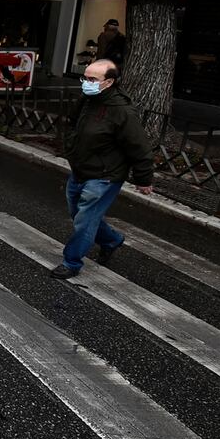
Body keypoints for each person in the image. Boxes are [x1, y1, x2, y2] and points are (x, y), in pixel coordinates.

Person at [50, 59, 154, 279]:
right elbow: (74, 123)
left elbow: (139, 147)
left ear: (109, 82)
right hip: (80, 170)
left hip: (104, 176)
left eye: (92, 79)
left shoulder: (122, 112)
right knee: (78, 213)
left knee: (85, 220)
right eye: (84, 78)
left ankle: (71, 262)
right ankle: (111, 240)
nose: (86, 83)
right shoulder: (88, 99)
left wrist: (144, 180)